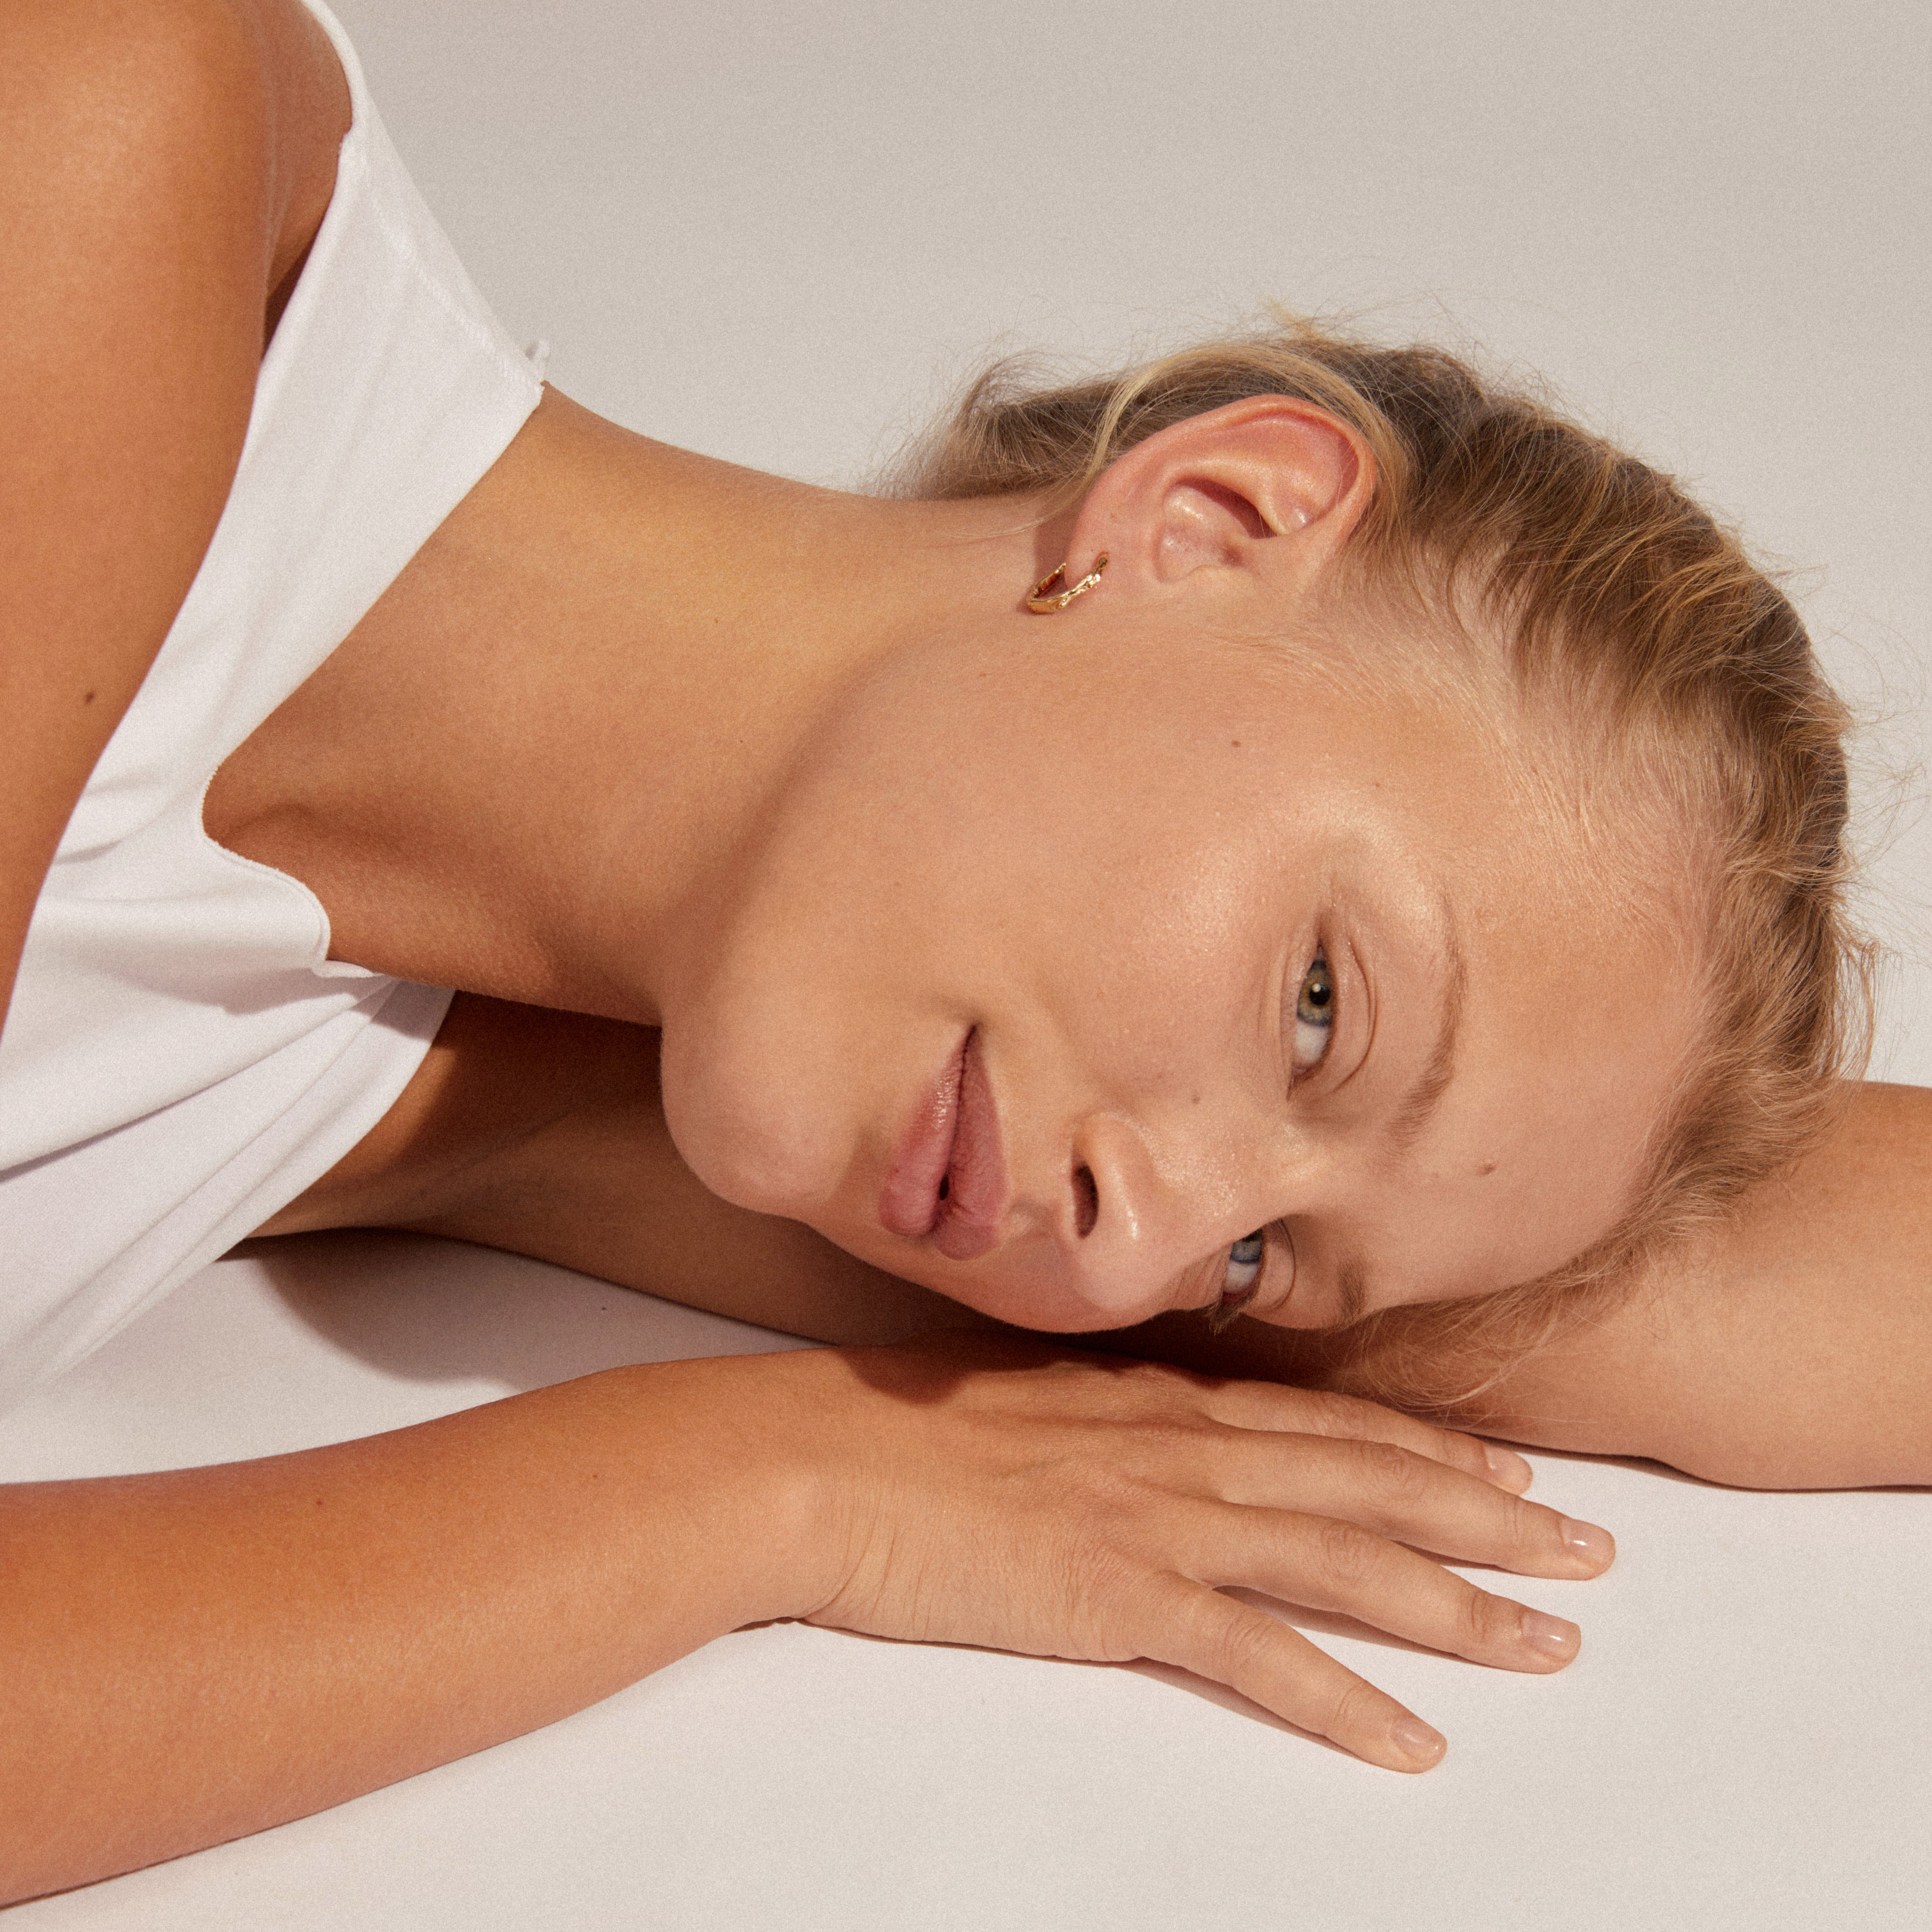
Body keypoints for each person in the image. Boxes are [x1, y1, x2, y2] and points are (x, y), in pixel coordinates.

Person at [2, 0, 1925, 1902]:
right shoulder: (101, 133)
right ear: (1204, 517)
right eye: (1321, 1005)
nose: (1141, 1240)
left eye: (1259, 1266)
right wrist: (770, 1490)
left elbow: (1743, 1270)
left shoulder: (469, 1081)